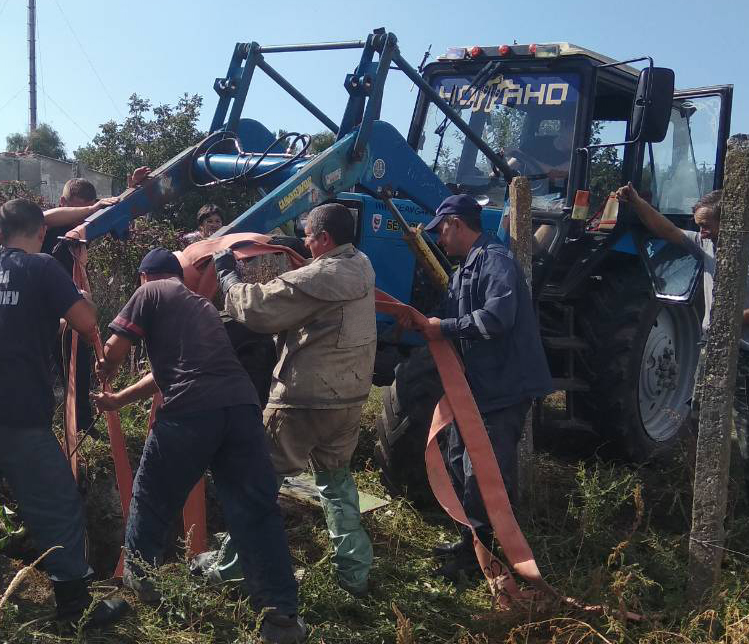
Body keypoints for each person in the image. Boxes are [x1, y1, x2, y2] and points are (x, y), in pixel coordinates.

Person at [92, 248, 306, 644]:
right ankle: (281, 618)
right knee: (257, 511)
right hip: (240, 409)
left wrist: (101, 360)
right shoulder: (200, 306)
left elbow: (113, 353)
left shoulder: (150, 292)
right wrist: (120, 399)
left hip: (191, 411)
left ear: (145, 276)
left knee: (152, 497)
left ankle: (142, 586)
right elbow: (165, 372)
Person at [0, 198, 128, 628]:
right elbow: (86, 318)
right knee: (56, 502)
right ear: (42, 234)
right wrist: (82, 298)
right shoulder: (43, 268)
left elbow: (8, 319)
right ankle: (75, 607)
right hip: (16, 414)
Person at [198, 202, 376, 597]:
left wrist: (227, 277)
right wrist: (293, 243)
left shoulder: (322, 275)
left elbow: (259, 310)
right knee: (337, 484)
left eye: (309, 237)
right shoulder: (361, 264)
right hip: (349, 397)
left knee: (258, 483)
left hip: (304, 398)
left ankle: (232, 567)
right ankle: (354, 572)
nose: (306, 244)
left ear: (325, 240)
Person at [616, 184, 749, 535]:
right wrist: (639, 202)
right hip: (712, 354)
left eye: (706, 224)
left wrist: (739, 318)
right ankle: (707, 513)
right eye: (698, 224)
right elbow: (667, 230)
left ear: (732, 220)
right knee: (702, 431)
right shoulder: (706, 243)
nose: (701, 231)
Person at [415, 193, 553, 582]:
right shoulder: (464, 269)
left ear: (456, 223)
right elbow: (454, 315)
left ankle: (489, 558)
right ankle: (470, 542)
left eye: (441, 231)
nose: (439, 240)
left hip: (503, 388)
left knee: (485, 474)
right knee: (461, 464)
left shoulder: (496, 261)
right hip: (473, 389)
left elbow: (497, 318)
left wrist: (443, 328)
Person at [42, 171, 148, 433]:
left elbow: (113, 213)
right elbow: (44, 216)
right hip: (41, 310)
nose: (82, 216)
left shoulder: (83, 229)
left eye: (86, 209)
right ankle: (43, 427)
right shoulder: (48, 225)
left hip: (70, 310)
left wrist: (130, 189)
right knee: (38, 370)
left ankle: (81, 424)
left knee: (78, 369)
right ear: (63, 203)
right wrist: (89, 209)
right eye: (77, 209)